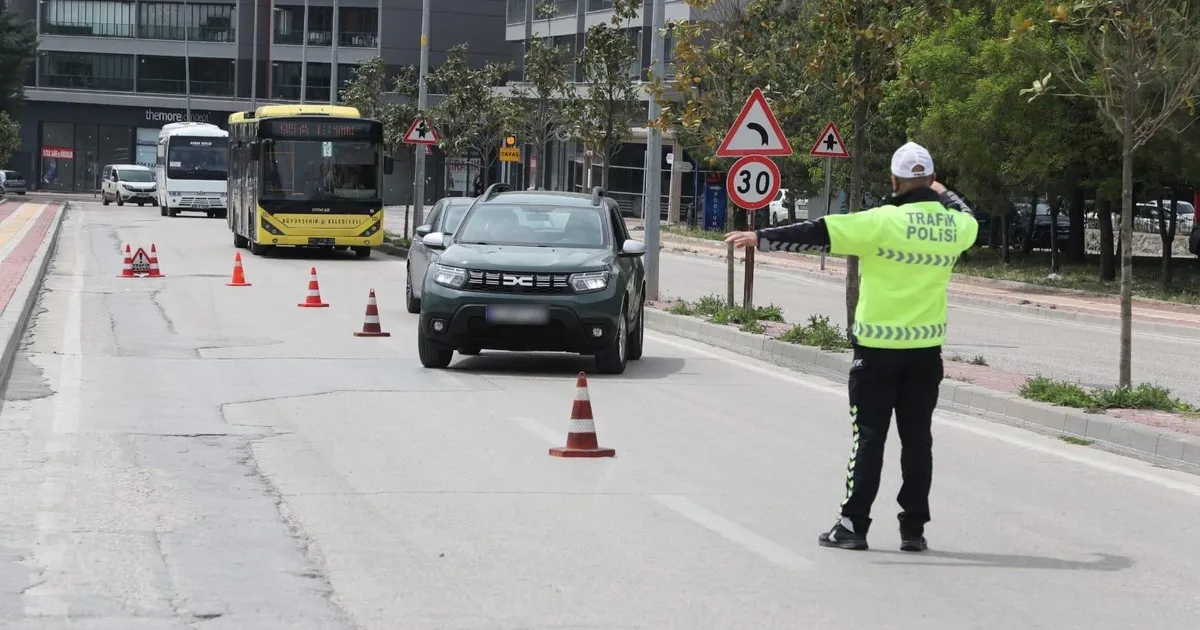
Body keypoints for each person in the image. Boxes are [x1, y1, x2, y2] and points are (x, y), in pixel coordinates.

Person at [724, 142, 979, 553]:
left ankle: (853, 525)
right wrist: (944, 192)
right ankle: (913, 530)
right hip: (925, 353)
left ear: (894, 181)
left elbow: (819, 232)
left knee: (870, 438)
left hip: (877, 352)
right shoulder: (954, 228)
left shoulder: (881, 222)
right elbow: (969, 216)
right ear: (931, 180)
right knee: (918, 441)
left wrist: (762, 236)